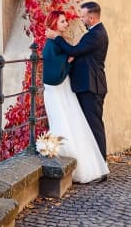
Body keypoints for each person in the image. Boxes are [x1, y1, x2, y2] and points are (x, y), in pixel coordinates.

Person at [42, 10, 109, 184]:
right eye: (63, 21)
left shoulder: (94, 34)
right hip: (62, 88)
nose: (67, 24)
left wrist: (66, 56)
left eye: (83, 16)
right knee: (68, 120)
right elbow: (57, 65)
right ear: (54, 22)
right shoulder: (53, 44)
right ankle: (95, 164)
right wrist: (67, 60)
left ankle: (98, 165)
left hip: (79, 88)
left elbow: (73, 52)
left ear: (92, 17)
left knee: (83, 123)